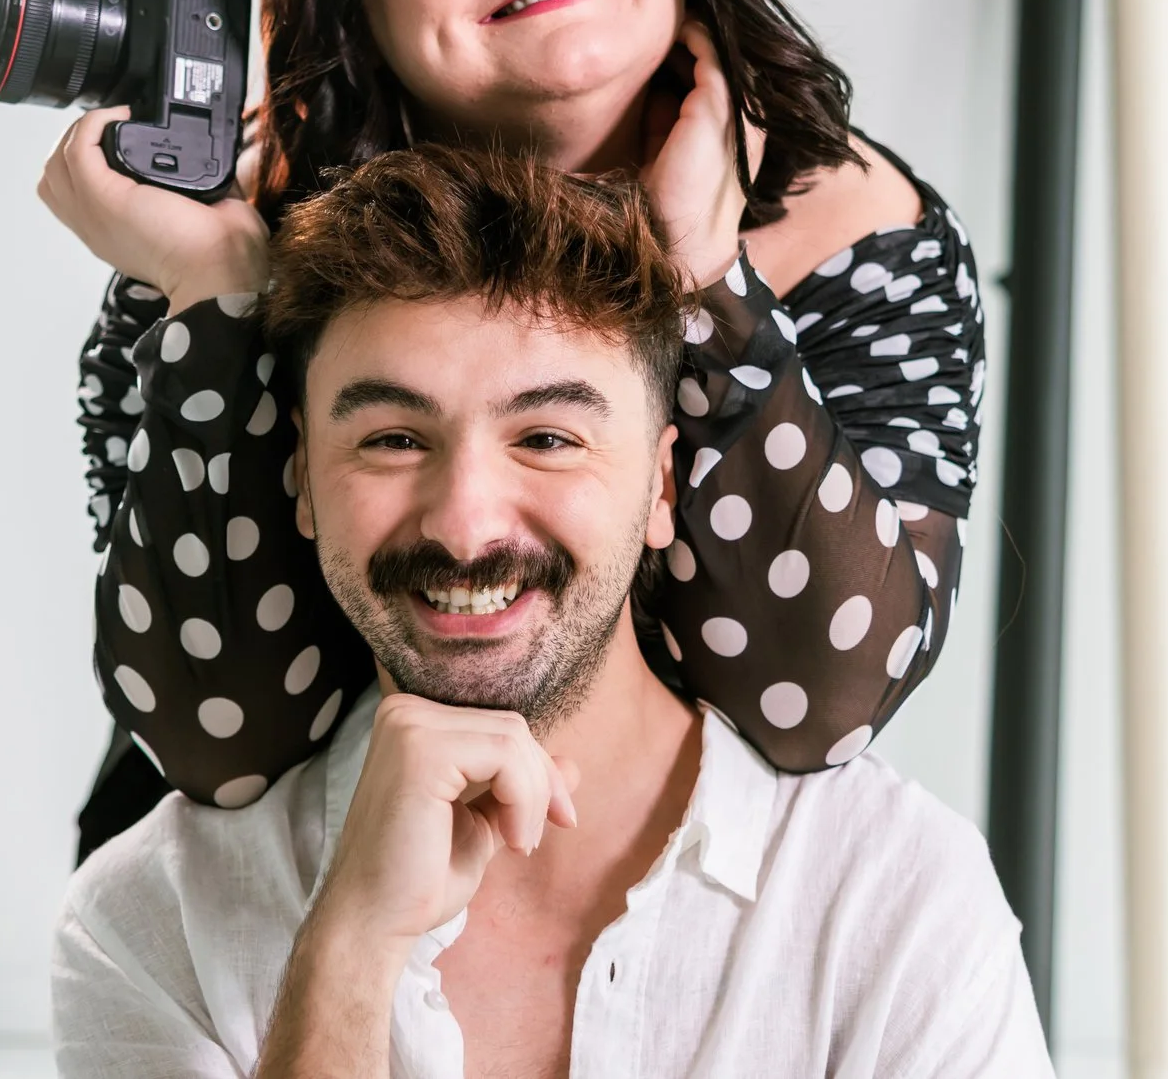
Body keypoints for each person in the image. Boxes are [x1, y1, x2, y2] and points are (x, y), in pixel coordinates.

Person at [47, 0, 987, 852]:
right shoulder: (224, 225)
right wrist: (218, 304)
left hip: (675, 906)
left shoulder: (854, 230)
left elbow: (821, 704)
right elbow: (222, 742)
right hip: (270, 896)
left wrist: (705, 280)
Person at [51, 148, 1047, 1078]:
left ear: (662, 489)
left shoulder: (897, 900)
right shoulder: (149, 919)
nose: (465, 522)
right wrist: (347, 947)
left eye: (547, 438)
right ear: (303, 486)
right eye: (394, 438)